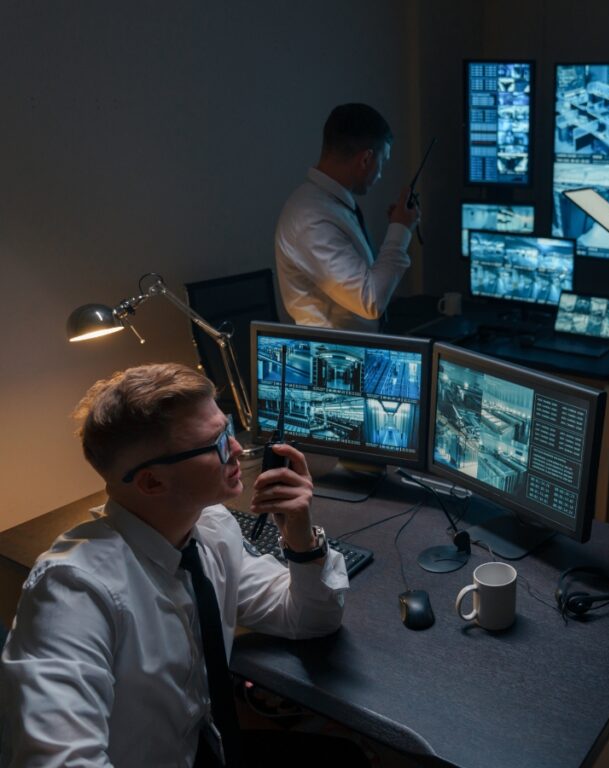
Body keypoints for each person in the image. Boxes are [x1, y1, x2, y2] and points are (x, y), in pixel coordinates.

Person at [0, 363, 365, 766]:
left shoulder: (210, 528)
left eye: (228, 430)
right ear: (152, 483)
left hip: (206, 746)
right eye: (217, 442)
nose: (238, 449)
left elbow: (308, 618)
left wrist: (300, 535)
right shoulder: (73, 593)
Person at [275, 103, 420, 331]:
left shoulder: (330, 205)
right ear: (365, 160)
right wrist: (399, 232)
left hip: (352, 352)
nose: (380, 174)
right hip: (333, 359)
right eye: (382, 163)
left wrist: (396, 225)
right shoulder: (312, 219)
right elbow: (369, 300)